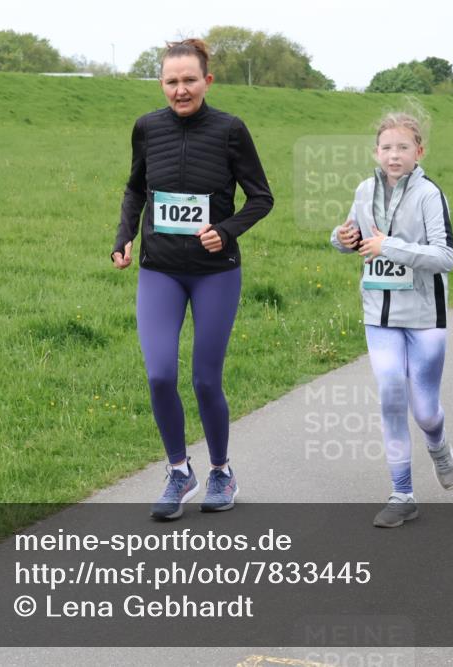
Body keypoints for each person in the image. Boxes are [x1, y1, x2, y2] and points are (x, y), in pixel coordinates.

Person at [111, 39, 274, 520]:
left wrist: (225, 232)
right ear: (161, 84)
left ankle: (221, 471)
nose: (180, 90)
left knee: (205, 379)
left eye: (189, 80)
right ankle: (179, 470)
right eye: (171, 81)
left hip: (214, 274)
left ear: (207, 80)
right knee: (160, 374)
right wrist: (124, 237)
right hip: (160, 270)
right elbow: (136, 188)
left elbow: (261, 198)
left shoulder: (230, 130)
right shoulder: (146, 128)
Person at [330, 112, 453, 528]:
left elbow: (445, 258)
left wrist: (392, 247)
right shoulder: (364, 190)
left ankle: (438, 446)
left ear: (419, 152)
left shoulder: (429, 195)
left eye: (403, 147)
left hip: (424, 317)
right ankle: (402, 493)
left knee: (424, 411)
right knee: (390, 395)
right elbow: (350, 236)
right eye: (387, 147)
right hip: (378, 314)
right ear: (376, 152)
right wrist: (343, 239)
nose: (394, 154)